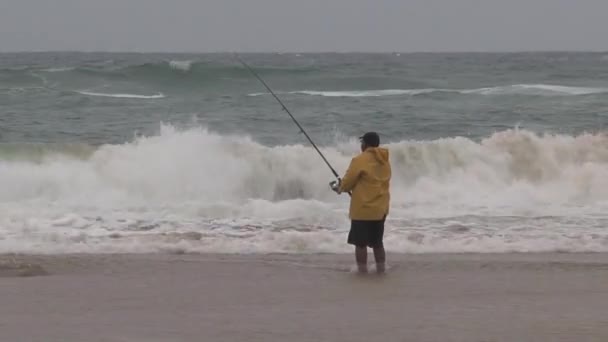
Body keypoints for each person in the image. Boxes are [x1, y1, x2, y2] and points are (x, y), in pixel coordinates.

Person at [330, 132, 391, 274]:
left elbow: (347, 184)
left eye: (362, 142)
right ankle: (381, 269)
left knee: (361, 244)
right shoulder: (385, 160)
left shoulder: (359, 160)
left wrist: (338, 188)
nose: (361, 145)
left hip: (363, 210)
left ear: (366, 144)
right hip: (380, 209)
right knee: (377, 243)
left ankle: (362, 271)